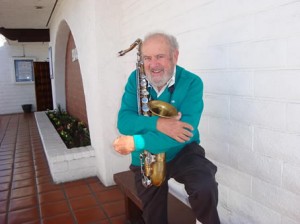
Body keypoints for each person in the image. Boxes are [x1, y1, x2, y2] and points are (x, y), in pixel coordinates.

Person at [113, 32, 220, 224]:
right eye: (147, 58)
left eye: (160, 56)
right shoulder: (135, 79)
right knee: (153, 215)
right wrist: (158, 123)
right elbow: (123, 122)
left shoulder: (192, 82)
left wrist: (138, 140)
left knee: (205, 186)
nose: (153, 65)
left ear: (175, 56)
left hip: (182, 151)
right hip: (145, 157)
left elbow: (184, 132)